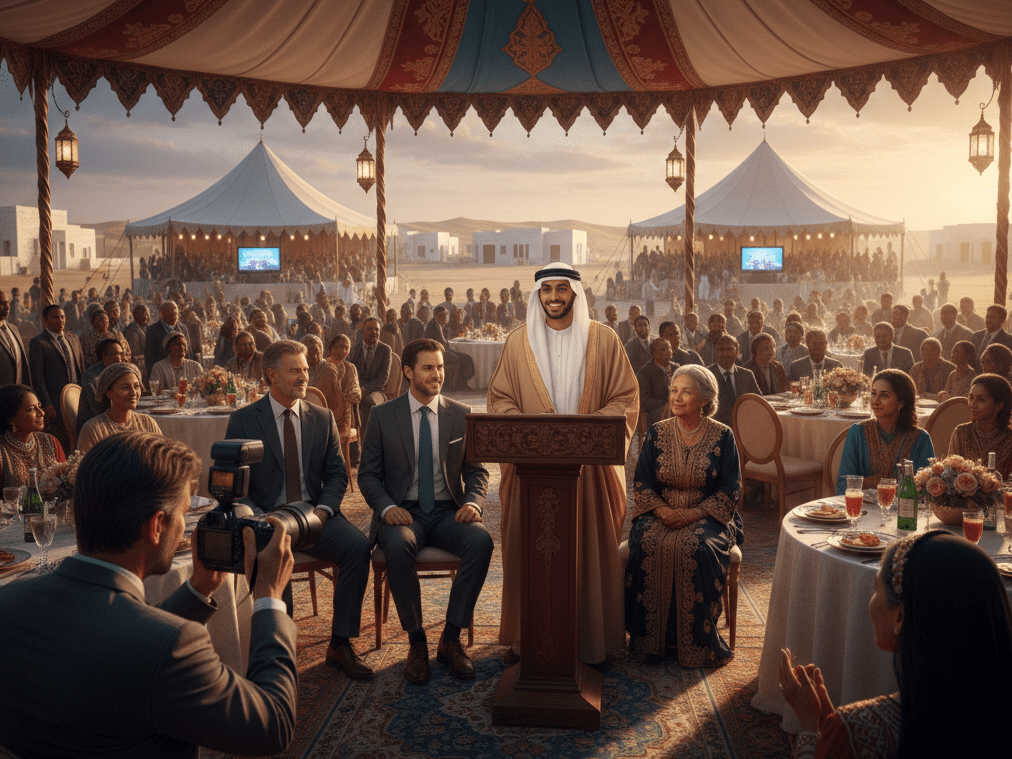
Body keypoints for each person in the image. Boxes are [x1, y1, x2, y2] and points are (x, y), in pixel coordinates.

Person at [0, 431, 299, 758]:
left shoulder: (10, 603)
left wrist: (197, 591)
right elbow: (272, 726)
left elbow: (119, 642)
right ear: (156, 526)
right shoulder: (172, 646)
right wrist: (269, 596)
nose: (185, 527)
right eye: (184, 514)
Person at [488, 263, 638, 667]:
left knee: (587, 550)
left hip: (586, 470)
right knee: (531, 550)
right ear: (537, 294)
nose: (554, 296)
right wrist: (535, 433)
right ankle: (526, 639)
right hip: (531, 471)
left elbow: (625, 397)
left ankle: (592, 641)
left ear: (574, 292)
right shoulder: (518, 342)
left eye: (561, 289)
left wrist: (584, 433)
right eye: (546, 290)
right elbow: (500, 398)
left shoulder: (603, 339)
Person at [780, 530, 1011, 759]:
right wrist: (828, 721)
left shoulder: (861, 729)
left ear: (899, 616)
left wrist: (810, 726)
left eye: (875, 588)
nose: (871, 600)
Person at [224, 340, 373, 680]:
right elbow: (235, 486)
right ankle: (279, 652)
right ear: (271, 375)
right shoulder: (244, 420)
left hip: (313, 515)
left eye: (306, 370)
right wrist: (259, 517)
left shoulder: (321, 418)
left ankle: (340, 643)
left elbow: (337, 473)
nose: (304, 376)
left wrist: (323, 510)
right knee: (273, 555)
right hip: (268, 517)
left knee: (358, 548)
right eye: (295, 371)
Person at [359, 338, 492, 683]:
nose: (437, 375)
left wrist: (473, 502)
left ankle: (450, 639)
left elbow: (476, 470)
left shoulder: (461, 414)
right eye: (428, 368)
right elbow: (368, 475)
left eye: (440, 367)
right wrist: (387, 507)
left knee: (481, 542)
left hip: (449, 510)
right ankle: (417, 641)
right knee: (399, 544)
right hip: (402, 512)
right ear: (408, 371)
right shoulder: (383, 415)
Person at [625, 365, 743, 665]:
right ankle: (650, 642)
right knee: (648, 544)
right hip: (659, 511)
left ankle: (697, 645)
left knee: (697, 548)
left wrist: (692, 515)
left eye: (686, 391)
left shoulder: (722, 436)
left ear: (704, 399)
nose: (676, 397)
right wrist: (663, 510)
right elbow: (641, 482)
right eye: (674, 390)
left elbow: (730, 489)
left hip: (709, 515)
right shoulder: (657, 432)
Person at [836, 370, 934, 494]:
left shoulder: (921, 439)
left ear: (901, 403)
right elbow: (842, 486)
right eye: (873, 393)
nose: (875, 401)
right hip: (863, 509)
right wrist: (867, 483)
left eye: (884, 395)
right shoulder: (857, 433)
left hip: (905, 510)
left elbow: (929, 489)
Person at [28, 304, 85, 452]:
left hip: (77, 402)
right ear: (45, 321)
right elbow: (37, 378)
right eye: (55, 317)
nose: (60, 320)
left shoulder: (73, 338)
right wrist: (46, 404)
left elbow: (81, 370)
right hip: (55, 404)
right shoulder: (39, 343)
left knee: (78, 443)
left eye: (62, 317)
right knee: (60, 444)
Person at [78, 363, 162, 454]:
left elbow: (163, 460)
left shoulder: (148, 423)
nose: (133, 392)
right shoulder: (94, 430)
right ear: (109, 393)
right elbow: (86, 467)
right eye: (125, 387)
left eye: (136, 386)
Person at [0, 384, 65, 489]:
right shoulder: (2, 453)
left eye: (39, 406)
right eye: (31, 409)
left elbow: (66, 484)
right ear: (12, 420)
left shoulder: (51, 442)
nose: (42, 413)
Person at [947, 373, 1012, 477]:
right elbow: (950, 475)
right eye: (971, 398)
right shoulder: (961, 433)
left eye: (981, 399)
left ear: (998, 406)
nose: (972, 404)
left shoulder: (1009, 440)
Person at [348, 317, 392, 438]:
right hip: (357, 390)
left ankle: (368, 443)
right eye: (370, 329)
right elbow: (349, 373)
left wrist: (364, 389)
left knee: (368, 403)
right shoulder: (354, 349)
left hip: (377, 392)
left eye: (376, 330)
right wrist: (357, 389)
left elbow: (383, 377)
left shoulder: (385, 350)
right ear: (362, 331)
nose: (374, 332)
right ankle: (353, 447)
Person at [707, 334, 761, 428]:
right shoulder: (707, 375)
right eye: (721, 349)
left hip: (745, 428)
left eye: (729, 349)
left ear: (737, 352)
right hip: (716, 430)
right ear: (716, 352)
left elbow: (759, 403)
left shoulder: (747, 375)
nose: (724, 354)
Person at [76, 338, 126, 435]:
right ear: (104, 357)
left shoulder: (119, 371)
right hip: (95, 427)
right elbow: (101, 405)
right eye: (113, 354)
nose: (118, 358)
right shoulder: (91, 375)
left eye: (120, 354)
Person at [324, 335, 361, 445]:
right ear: (332, 348)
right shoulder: (324, 366)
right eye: (340, 346)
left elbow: (355, 393)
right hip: (326, 411)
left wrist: (352, 393)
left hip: (345, 416)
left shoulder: (350, 367)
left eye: (347, 347)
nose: (344, 350)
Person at [637, 337, 679, 427]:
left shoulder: (677, 368)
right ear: (653, 354)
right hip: (657, 413)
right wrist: (667, 405)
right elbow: (644, 400)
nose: (667, 351)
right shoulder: (645, 372)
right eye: (662, 349)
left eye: (669, 348)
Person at [144, 300, 184, 380]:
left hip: (181, 374)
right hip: (162, 374)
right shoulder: (152, 330)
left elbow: (188, 352)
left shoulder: (182, 328)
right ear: (162, 314)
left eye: (175, 314)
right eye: (170, 314)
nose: (174, 317)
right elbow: (149, 357)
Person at [0, 289, 30, 387]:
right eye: (2, 303)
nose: (7, 307)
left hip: (18, 394)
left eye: (7, 302)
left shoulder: (13, 329)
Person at [970, 304, 1012, 370]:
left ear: (1002, 320)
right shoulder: (976, 336)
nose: (988, 320)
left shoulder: (1009, 340)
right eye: (987, 317)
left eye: (993, 317)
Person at [123, 303, 149, 375]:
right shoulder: (131, 330)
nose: (148, 316)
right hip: (138, 367)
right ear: (137, 316)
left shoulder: (145, 327)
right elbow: (136, 353)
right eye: (146, 314)